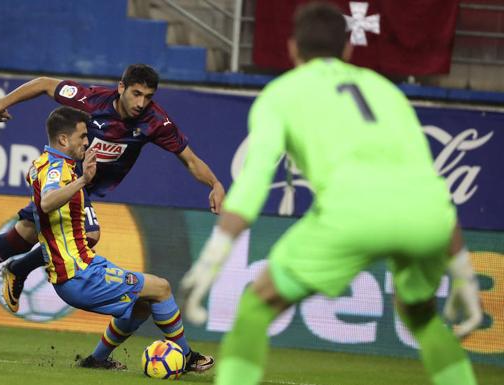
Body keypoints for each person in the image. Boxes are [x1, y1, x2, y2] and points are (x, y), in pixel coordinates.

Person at [179, 3, 482, 385]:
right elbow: (429, 182)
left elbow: (255, 180)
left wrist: (214, 255)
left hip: (352, 213)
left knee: (256, 307)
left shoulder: (281, 94)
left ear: (292, 49)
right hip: (426, 218)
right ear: (348, 48)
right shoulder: (386, 90)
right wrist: (463, 273)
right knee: (421, 316)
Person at [0, 64, 225, 319]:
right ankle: (12, 269)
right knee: (89, 234)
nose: (141, 103)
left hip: (83, 186)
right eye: (136, 93)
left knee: (23, 234)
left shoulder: (156, 122)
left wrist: (214, 183)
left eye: (148, 96)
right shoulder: (91, 100)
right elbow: (43, 84)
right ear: (121, 87)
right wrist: (2, 103)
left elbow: (190, 160)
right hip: (67, 178)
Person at [20, 105, 214, 371]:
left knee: (142, 306)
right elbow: (47, 202)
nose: (87, 141)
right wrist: (82, 181)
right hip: (79, 274)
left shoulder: (41, 164)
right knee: (161, 288)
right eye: (81, 137)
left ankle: (96, 360)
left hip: (80, 269)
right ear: (63, 140)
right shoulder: (57, 169)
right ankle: (187, 356)